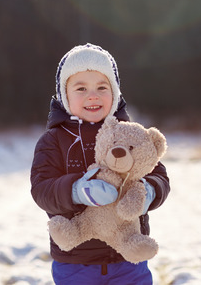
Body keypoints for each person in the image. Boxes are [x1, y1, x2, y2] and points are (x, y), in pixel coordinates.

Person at [30, 43, 170, 285]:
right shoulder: (53, 140)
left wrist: (148, 193)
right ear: (65, 95)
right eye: (81, 88)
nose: (92, 95)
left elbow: (159, 175)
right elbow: (41, 189)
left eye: (101, 87)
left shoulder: (131, 135)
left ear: (115, 93)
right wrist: (76, 190)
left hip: (127, 257)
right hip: (75, 261)